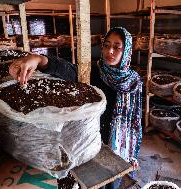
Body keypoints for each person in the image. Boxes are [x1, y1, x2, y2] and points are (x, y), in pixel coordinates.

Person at [9, 27, 143, 189]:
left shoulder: (134, 82)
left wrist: (131, 153)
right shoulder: (94, 72)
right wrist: (39, 59)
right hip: (92, 139)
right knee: (94, 180)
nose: (110, 51)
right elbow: (68, 69)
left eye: (117, 47)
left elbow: (134, 123)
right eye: (106, 45)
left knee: (113, 180)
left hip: (118, 143)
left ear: (127, 50)